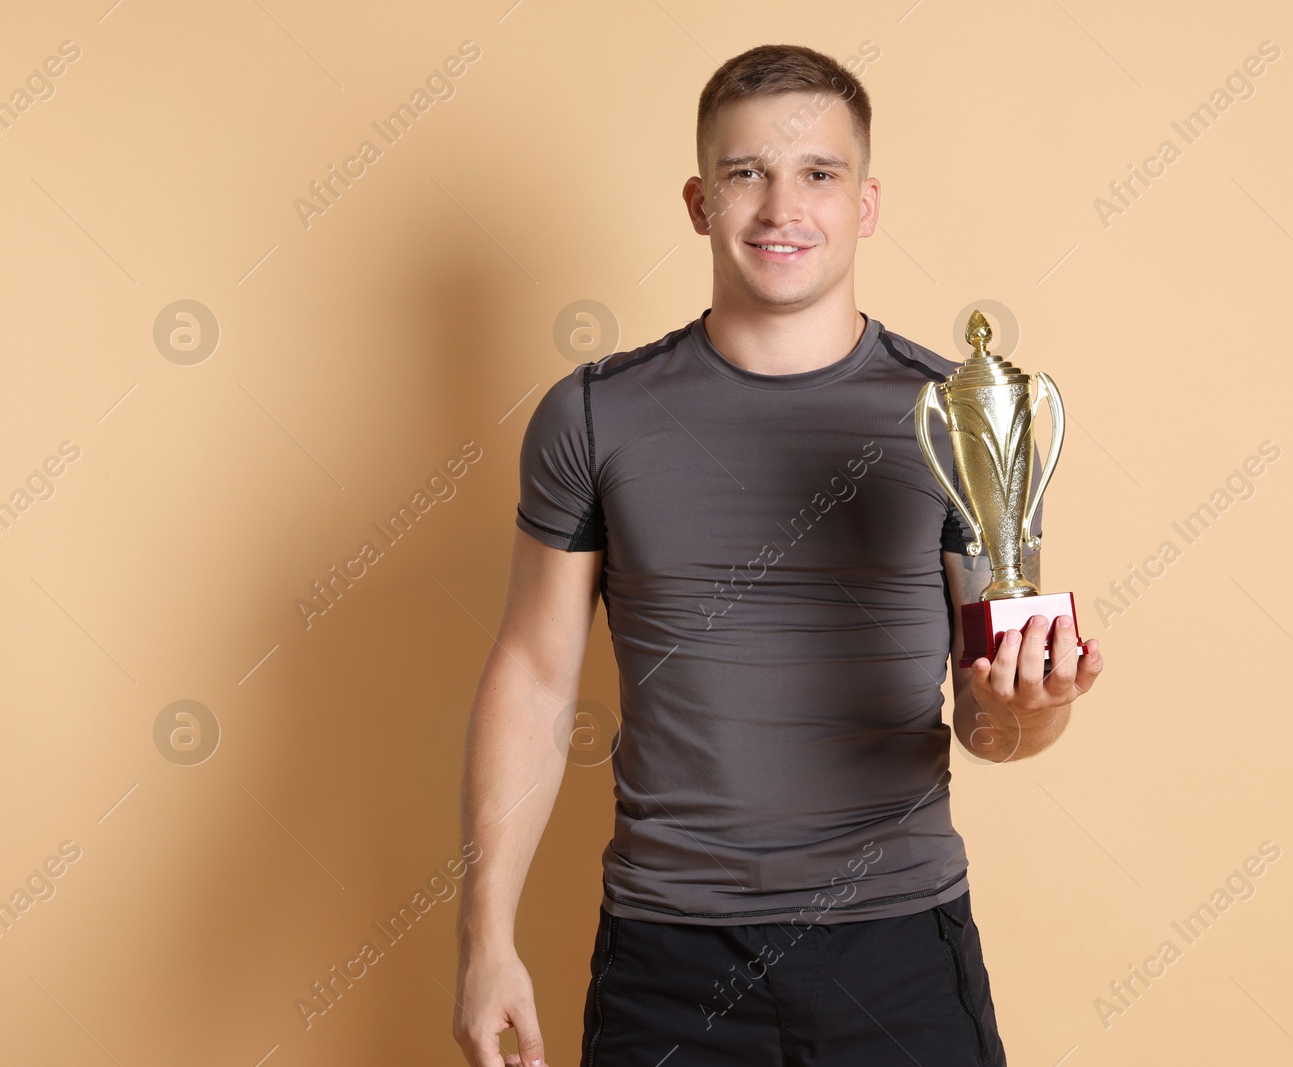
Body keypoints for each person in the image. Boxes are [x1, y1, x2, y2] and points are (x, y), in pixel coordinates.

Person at [452, 42, 1104, 1067]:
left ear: (867, 204)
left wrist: (1035, 708)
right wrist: (485, 941)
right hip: (666, 954)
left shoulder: (962, 421)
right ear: (699, 200)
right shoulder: (594, 415)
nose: (780, 208)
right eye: (745, 172)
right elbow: (534, 677)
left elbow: (989, 719)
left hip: (899, 945)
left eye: (818, 175)